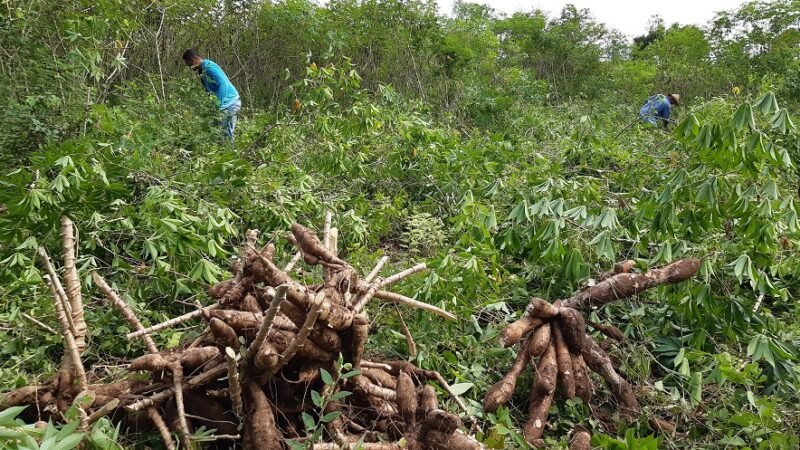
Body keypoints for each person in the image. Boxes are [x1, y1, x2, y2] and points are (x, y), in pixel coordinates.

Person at [182, 49, 241, 141]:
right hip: (222, 105)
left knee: (225, 135)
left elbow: (223, 83)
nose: (190, 68)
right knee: (215, 133)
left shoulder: (209, 67)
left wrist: (219, 104)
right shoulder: (202, 70)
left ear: (193, 60)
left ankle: (231, 153)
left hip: (230, 103)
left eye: (189, 65)